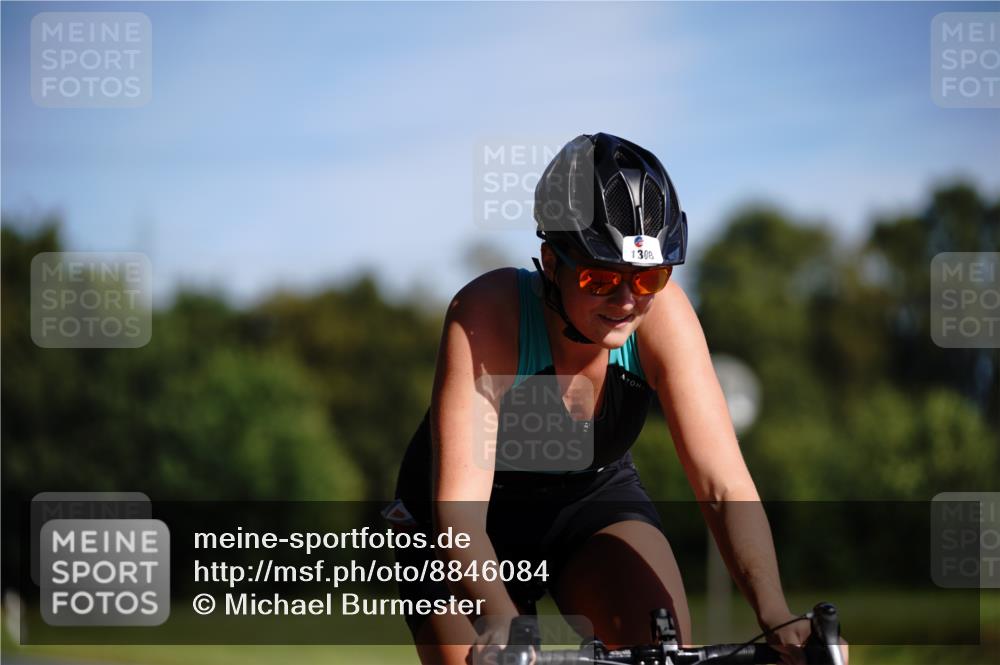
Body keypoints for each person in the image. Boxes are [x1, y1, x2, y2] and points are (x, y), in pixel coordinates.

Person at [389, 133, 847, 665]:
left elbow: (722, 484)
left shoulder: (665, 318)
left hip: (590, 497)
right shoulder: (486, 315)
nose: (628, 301)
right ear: (551, 263)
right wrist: (501, 616)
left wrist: (773, 611)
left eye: (649, 276)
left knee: (663, 651)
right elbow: (460, 513)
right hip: (462, 524)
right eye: (600, 277)